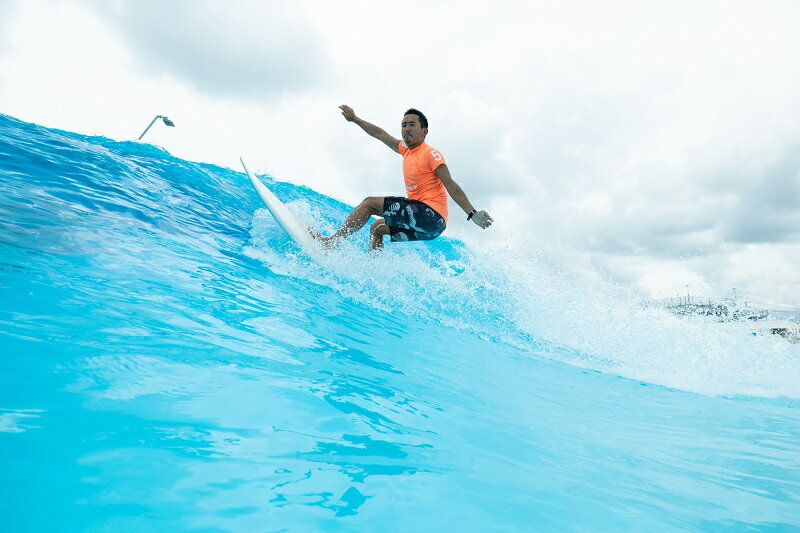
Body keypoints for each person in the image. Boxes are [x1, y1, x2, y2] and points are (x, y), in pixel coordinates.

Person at [313, 105, 493, 250]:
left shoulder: (430, 153)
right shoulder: (405, 150)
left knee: (369, 203)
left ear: (424, 131)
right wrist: (355, 119)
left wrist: (472, 213)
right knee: (377, 228)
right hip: (431, 229)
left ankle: (331, 243)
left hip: (431, 215)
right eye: (404, 125)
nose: (407, 129)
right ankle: (374, 268)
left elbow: (450, 184)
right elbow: (380, 134)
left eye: (412, 125)